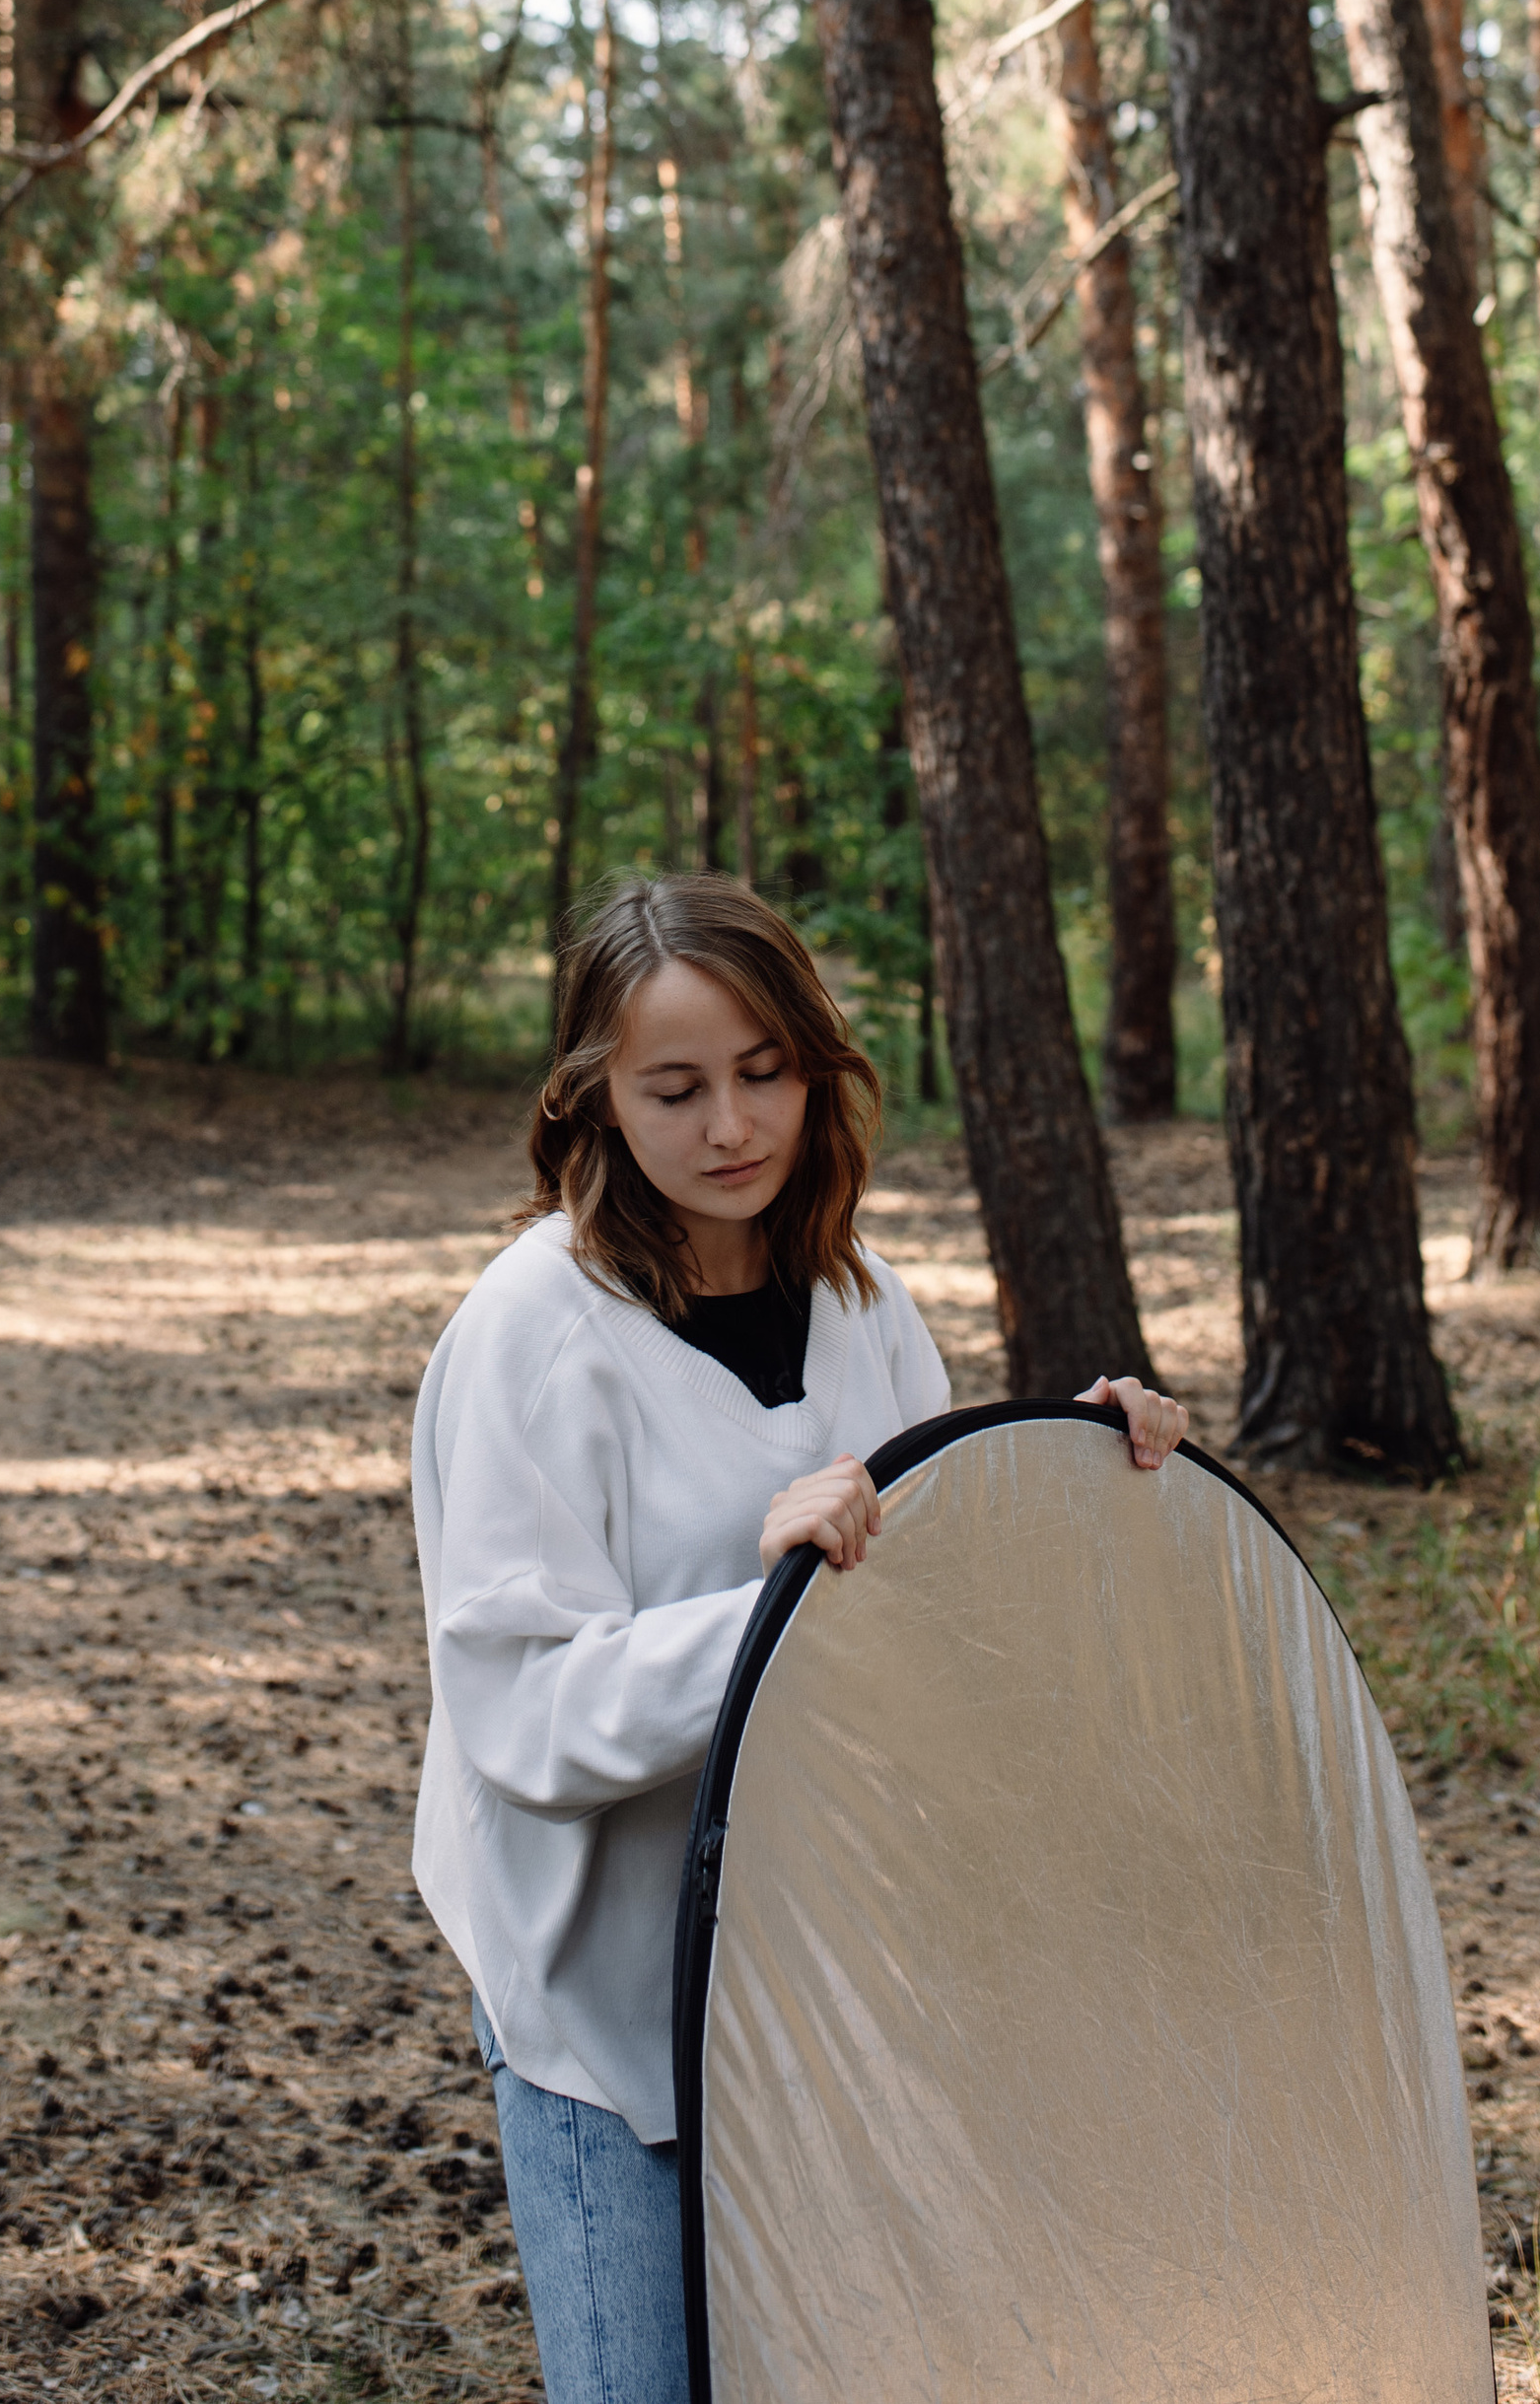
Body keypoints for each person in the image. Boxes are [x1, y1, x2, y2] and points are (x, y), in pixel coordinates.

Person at [409, 870, 1185, 2404]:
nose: (730, 1126)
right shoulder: (532, 1335)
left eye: (763, 1071)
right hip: (599, 2000)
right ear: (595, 1097)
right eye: (675, 1086)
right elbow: (523, 1714)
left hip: (818, 1970)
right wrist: (759, 1611)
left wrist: (1083, 1474)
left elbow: (936, 1620)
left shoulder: (864, 1300)